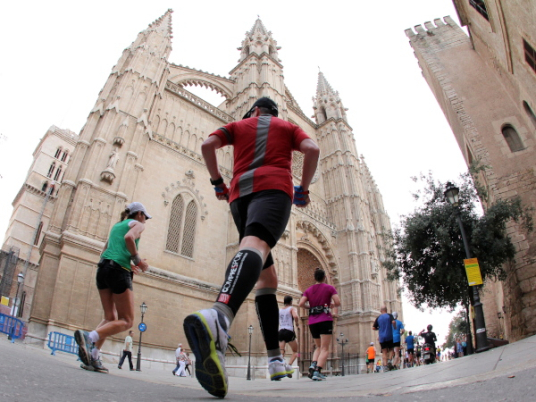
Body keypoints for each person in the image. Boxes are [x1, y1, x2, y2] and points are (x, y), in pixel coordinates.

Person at [183, 97, 320, 398]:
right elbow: (312, 149)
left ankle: (274, 359)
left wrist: (217, 182)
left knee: (268, 279)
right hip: (273, 189)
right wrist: (304, 189)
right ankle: (219, 316)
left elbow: (207, 146)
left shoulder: (237, 125)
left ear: (255, 110)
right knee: (256, 245)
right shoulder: (287, 127)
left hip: (238, 196)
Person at [74, 202, 150, 373]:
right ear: (139, 214)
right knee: (127, 320)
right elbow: (129, 238)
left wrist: (128, 264)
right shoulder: (137, 225)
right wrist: (138, 261)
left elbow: (105, 251)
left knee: (110, 317)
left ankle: (93, 357)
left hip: (103, 269)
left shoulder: (116, 226)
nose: (145, 220)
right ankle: (89, 337)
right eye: (145, 216)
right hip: (118, 271)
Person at [299, 268, 340, 381]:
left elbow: (301, 303)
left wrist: (310, 307)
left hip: (312, 321)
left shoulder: (308, 290)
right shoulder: (329, 288)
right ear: (324, 277)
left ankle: (313, 365)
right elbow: (337, 302)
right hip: (325, 319)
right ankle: (318, 371)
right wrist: (331, 305)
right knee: (325, 348)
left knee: (318, 346)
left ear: (314, 278)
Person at [279, 295, 300, 373]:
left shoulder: (280, 310)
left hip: (281, 331)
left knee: (282, 350)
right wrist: (297, 324)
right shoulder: (292, 309)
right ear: (291, 301)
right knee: (296, 351)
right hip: (289, 331)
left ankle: (281, 364)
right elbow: (296, 316)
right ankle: (289, 365)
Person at [372, 306, 395, 373]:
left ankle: (385, 366)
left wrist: (380, 328)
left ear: (381, 311)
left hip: (381, 337)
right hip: (389, 335)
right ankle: (390, 360)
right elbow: (393, 322)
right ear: (386, 310)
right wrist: (394, 327)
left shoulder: (378, 317)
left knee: (384, 351)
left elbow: (373, 328)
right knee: (391, 349)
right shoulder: (389, 315)